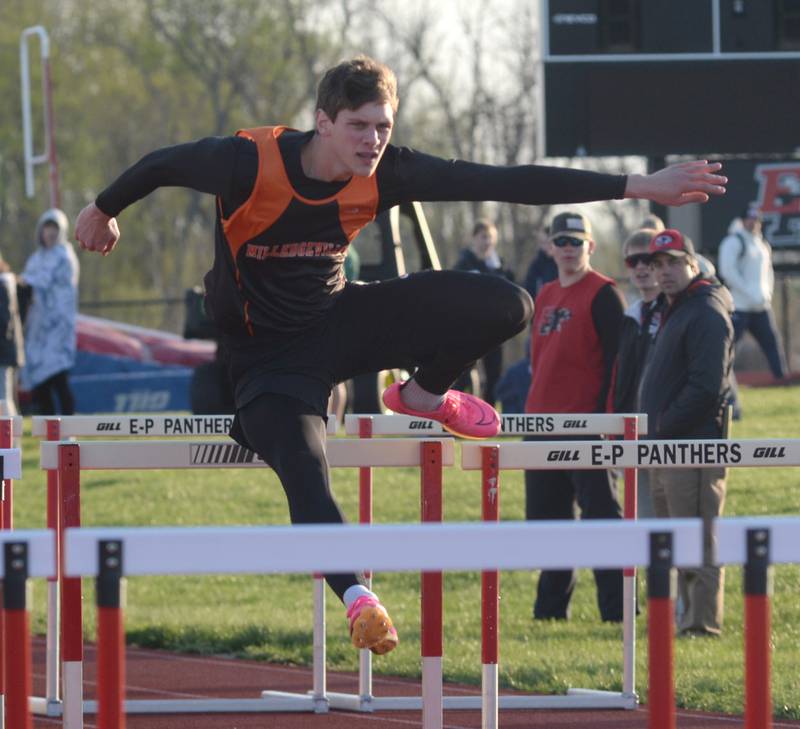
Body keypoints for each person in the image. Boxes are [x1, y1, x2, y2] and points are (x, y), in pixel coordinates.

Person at [75, 55, 726, 654]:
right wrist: (103, 209)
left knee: (508, 305)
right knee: (303, 464)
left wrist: (642, 185)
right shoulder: (248, 162)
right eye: (358, 126)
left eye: (383, 126)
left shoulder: (388, 172)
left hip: (342, 318)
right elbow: (159, 163)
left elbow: (504, 181)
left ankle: (422, 393)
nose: (372, 141)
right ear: (323, 122)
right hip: (268, 358)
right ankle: (358, 598)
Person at [524, 212, 626, 622]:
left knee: (601, 519)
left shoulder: (604, 294)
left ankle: (617, 613)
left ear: (590, 247)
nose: (568, 249)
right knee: (548, 525)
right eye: (561, 241)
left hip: (586, 427)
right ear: (550, 246)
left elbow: (618, 363)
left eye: (576, 242)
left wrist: (605, 422)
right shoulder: (545, 293)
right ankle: (549, 614)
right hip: (540, 423)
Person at [640, 228, 734, 636]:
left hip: (693, 443)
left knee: (699, 535)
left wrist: (662, 425)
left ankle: (702, 626)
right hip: (667, 444)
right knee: (674, 537)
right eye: (658, 264)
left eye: (674, 262)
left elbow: (706, 388)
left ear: (693, 264)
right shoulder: (676, 308)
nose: (664, 272)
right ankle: (683, 620)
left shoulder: (706, 310)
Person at [610, 227, 664, 518]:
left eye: (648, 259)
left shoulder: (677, 309)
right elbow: (622, 380)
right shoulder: (630, 316)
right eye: (633, 262)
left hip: (670, 432)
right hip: (634, 432)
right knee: (644, 519)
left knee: (680, 521)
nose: (641, 267)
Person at [718, 205, 787, 394]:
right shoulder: (733, 241)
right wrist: (749, 292)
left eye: (757, 220)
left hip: (760, 306)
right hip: (739, 306)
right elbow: (728, 271)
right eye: (750, 219)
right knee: (729, 347)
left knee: (772, 344)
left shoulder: (763, 244)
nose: (754, 223)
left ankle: (781, 380)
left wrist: (767, 294)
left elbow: (768, 273)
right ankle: (722, 382)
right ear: (742, 220)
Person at [19, 208, 79, 415]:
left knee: (58, 379)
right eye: (47, 227)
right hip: (38, 331)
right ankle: (50, 430)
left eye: (55, 228)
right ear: (41, 230)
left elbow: (42, 280)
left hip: (58, 329)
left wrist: (21, 281)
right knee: (40, 383)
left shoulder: (64, 256)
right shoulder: (36, 258)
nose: (51, 232)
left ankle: (68, 427)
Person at [452, 219, 515, 406]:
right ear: (474, 239)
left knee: (494, 373)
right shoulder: (464, 264)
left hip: (495, 328)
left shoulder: (500, 267)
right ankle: (453, 411)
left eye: (490, 237)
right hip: (469, 328)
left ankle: (489, 413)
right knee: (462, 373)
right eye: (483, 237)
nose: (487, 242)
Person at [0, 253, 25, 415]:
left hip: (4, 351)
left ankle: (13, 440)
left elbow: (5, 321)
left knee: (3, 398)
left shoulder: (3, 284)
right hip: (7, 349)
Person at [522, 227, 558, 301]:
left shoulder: (564, 263)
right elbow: (529, 289)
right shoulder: (536, 265)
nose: (548, 246)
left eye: (550, 242)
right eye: (544, 242)